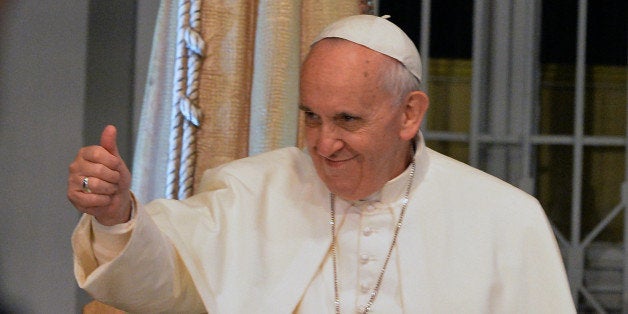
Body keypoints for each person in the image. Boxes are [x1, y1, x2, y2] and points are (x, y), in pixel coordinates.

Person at [68, 15, 575, 313]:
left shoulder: (505, 219)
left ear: (409, 115)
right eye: (311, 117)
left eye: (348, 120)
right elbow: (164, 283)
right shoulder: (253, 190)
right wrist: (117, 216)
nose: (324, 144)